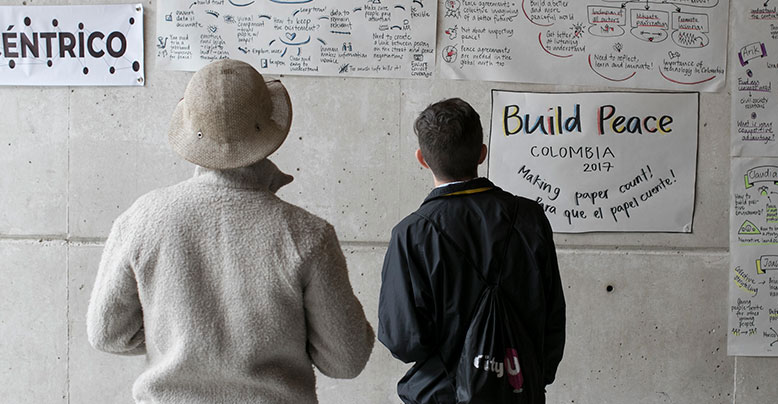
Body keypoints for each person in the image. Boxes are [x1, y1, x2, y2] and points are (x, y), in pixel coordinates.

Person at [87, 59, 374, 403]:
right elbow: (346, 360)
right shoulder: (306, 235)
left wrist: (179, 338)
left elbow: (107, 334)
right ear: (271, 126)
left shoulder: (143, 220)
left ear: (189, 125)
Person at [378, 97, 565, 404]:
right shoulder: (531, 219)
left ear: (421, 158)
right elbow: (552, 319)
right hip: (519, 390)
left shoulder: (412, 234)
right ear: (482, 154)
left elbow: (403, 341)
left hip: (442, 395)